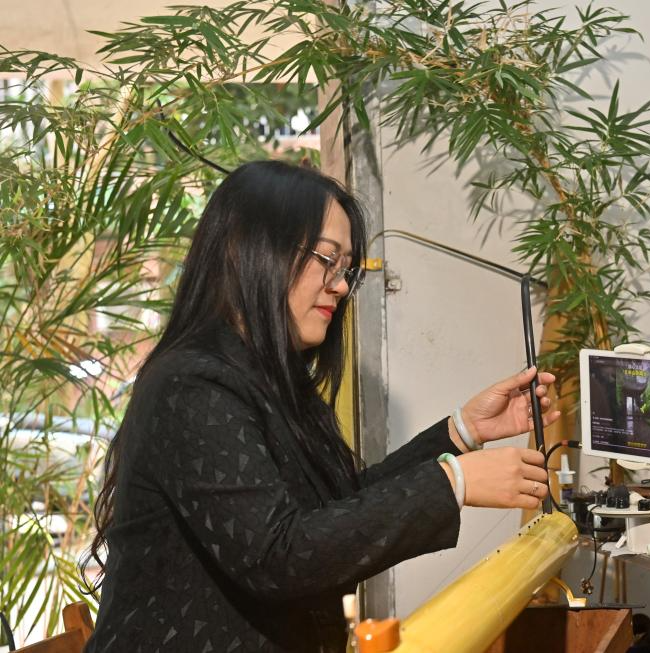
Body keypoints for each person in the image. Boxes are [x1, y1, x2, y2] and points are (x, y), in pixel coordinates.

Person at [83, 160, 560, 652]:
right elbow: (279, 555)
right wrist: (453, 483)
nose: (341, 285)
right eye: (326, 259)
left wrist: (460, 433)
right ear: (249, 249)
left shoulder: (269, 378)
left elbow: (336, 510)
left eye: (346, 268)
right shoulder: (191, 384)